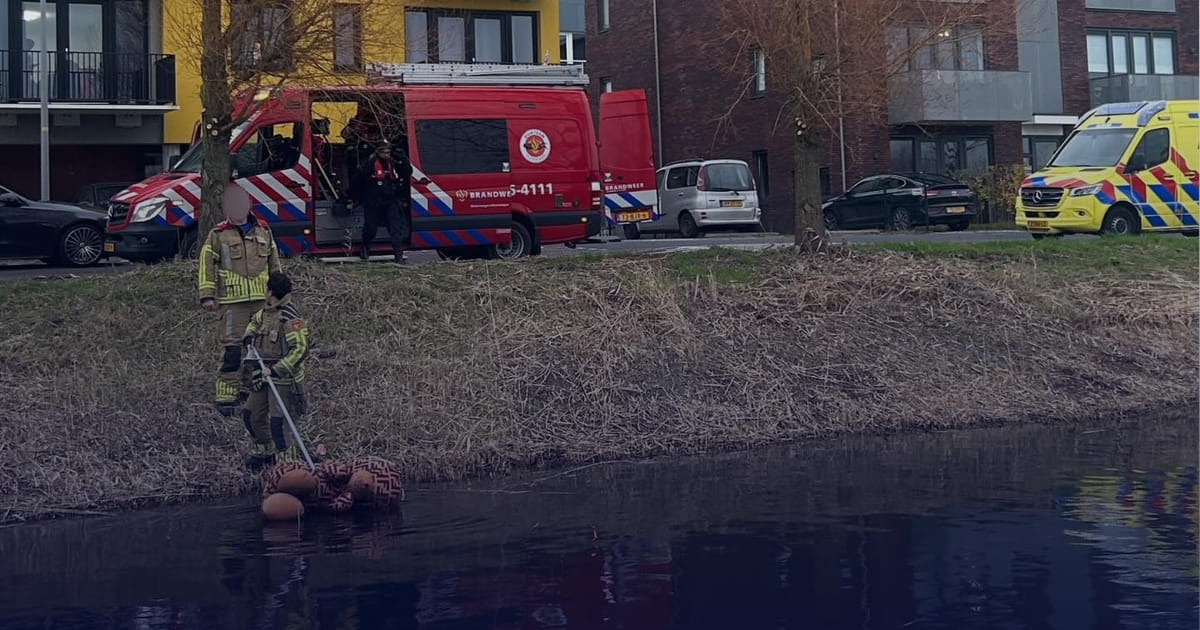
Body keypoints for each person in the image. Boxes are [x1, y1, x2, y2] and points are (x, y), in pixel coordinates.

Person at [198, 186, 281, 416]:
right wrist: (207, 295)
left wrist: (279, 293)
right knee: (232, 350)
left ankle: (251, 389)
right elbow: (206, 266)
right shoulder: (218, 234)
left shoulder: (264, 230)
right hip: (232, 303)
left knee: (260, 349)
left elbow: (275, 265)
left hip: (262, 302)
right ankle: (226, 396)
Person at [241, 271, 310, 468]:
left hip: (283, 381)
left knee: (279, 424)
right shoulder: (266, 312)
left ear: (270, 292)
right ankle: (265, 451)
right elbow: (255, 322)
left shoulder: (290, 319)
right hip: (263, 376)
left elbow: (301, 349)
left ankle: (288, 465)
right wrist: (249, 335)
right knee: (251, 415)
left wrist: (278, 370)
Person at [353, 139, 411, 262]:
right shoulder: (370, 162)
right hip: (373, 200)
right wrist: (357, 197)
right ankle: (365, 247)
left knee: (395, 227)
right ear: (378, 152)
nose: (386, 154)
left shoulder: (394, 162)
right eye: (384, 152)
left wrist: (403, 160)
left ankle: (398, 254)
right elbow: (358, 178)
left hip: (390, 199)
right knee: (370, 227)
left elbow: (407, 173)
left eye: (388, 152)